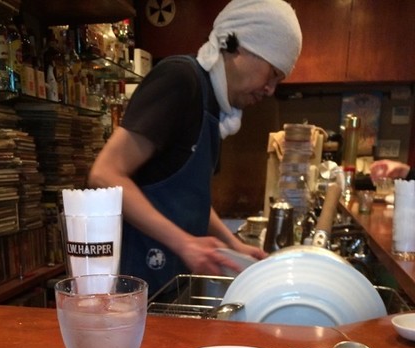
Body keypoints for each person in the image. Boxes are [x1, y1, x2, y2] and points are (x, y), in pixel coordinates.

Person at [87, 0, 302, 295]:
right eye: (273, 73)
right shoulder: (180, 79)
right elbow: (104, 174)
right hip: (135, 283)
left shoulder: (215, 107)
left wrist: (233, 244)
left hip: (171, 281)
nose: (270, 89)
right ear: (239, 46)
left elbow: (191, 200)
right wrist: (185, 243)